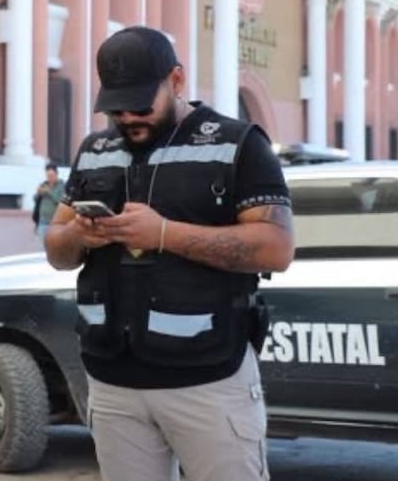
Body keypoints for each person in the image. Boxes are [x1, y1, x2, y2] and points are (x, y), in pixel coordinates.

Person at [44, 26, 294, 481]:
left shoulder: (238, 143)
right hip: (113, 380)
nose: (128, 117)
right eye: (116, 107)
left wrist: (163, 234)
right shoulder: (94, 150)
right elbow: (56, 250)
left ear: (176, 81)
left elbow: (276, 248)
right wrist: (80, 234)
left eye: (141, 104)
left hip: (209, 381)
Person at [33, 162, 64, 237]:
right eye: (48, 176)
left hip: (56, 222)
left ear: (56, 174)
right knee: (42, 245)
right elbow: (35, 200)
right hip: (42, 221)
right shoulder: (44, 184)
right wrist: (38, 193)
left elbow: (61, 201)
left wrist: (49, 192)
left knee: (54, 245)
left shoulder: (61, 186)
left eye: (51, 176)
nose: (49, 178)